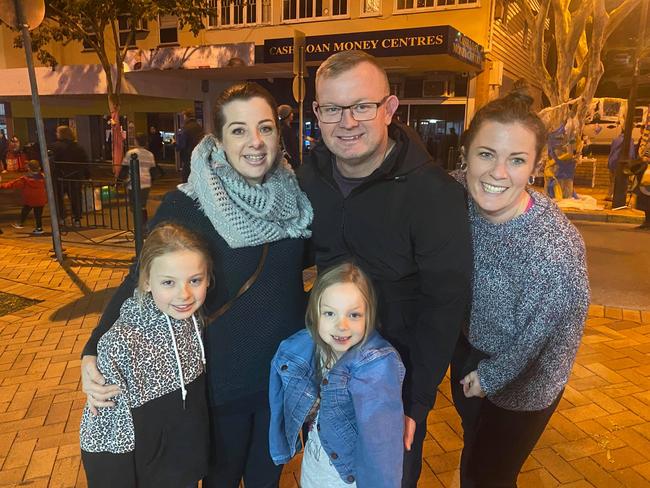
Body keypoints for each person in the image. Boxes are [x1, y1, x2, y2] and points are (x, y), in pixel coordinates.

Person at [81, 82, 313, 488]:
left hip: (281, 378)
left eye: (266, 128)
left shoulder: (295, 198)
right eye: (239, 130)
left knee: (266, 480)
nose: (255, 142)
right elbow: (139, 278)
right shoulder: (189, 204)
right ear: (219, 140)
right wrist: (91, 351)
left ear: (280, 132)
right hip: (220, 385)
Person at [297, 50, 473, 487]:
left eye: (362, 106)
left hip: (393, 384)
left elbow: (445, 303)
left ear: (389, 109)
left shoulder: (433, 194)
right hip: (323, 370)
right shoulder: (309, 177)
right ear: (317, 112)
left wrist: (416, 402)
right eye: (333, 109)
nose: (347, 122)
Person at [450, 91, 590, 487]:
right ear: (465, 154)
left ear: (535, 167)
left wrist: (492, 376)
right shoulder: (456, 194)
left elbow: (540, 335)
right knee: (472, 446)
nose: (497, 173)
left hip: (528, 374)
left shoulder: (554, 246)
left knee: (487, 476)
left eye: (516, 160)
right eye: (486, 154)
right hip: (472, 345)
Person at [80, 223, 211, 488]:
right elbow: (105, 429)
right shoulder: (120, 343)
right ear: (147, 282)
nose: (184, 294)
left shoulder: (192, 319)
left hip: (185, 467)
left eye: (195, 280)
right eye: (168, 283)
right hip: (146, 476)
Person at [269, 262, 405, 487]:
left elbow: (382, 446)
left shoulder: (376, 366)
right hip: (315, 465)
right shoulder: (303, 347)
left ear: (368, 315)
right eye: (330, 313)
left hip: (348, 478)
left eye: (353, 315)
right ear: (315, 314)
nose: (341, 325)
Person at [51, 125, 89, 227]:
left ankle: (62, 218)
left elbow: (51, 161)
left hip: (60, 177)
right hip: (75, 176)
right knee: (75, 198)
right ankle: (76, 218)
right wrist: (87, 175)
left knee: (58, 198)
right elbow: (84, 162)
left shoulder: (55, 147)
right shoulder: (78, 147)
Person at [0, 160, 47, 235]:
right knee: (38, 215)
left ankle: (21, 223)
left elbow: (13, 184)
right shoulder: (44, 177)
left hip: (29, 201)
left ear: (29, 168)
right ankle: (39, 228)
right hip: (40, 200)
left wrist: (1, 186)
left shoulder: (25, 179)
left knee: (25, 211)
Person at [120, 132, 156, 223]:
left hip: (133, 183)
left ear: (136, 142)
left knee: (134, 206)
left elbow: (124, 168)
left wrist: (120, 180)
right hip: (146, 183)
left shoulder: (130, 153)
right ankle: (143, 225)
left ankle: (138, 227)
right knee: (142, 205)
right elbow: (153, 170)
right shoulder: (150, 154)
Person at [606, 129, 636, 201]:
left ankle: (610, 195)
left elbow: (612, 151)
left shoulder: (615, 140)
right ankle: (620, 196)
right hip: (623, 163)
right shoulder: (630, 140)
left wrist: (609, 162)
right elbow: (631, 153)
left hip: (613, 162)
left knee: (612, 180)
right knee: (623, 181)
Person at [177, 110, 204, 183]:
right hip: (198, 154)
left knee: (186, 177)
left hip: (187, 155)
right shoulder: (198, 127)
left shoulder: (186, 128)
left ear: (186, 116)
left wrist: (176, 146)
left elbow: (182, 144)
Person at [278, 104, 300, 170]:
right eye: (291, 113)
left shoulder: (285, 128)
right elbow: (288, 147)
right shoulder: (285, 130)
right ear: (287, 115)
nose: (292, 114)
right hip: (290, 162)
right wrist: (294, 160)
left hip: (290, 161)